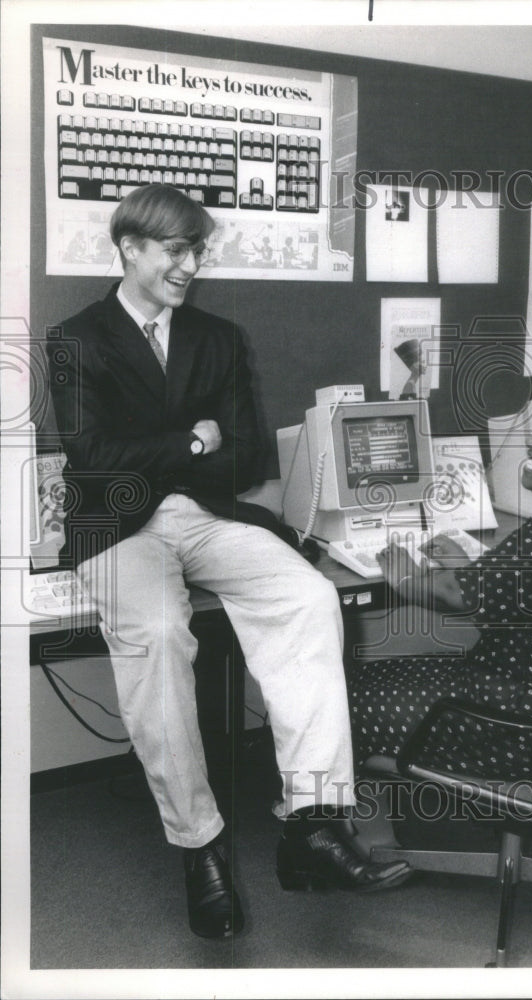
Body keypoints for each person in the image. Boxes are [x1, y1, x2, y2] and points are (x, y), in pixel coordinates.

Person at [46, 185, 410, 941]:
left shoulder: (218, 337)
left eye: (197, 250)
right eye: (176, 249)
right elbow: (91, 458)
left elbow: (243, 456)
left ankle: (313, 822)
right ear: (131, 248)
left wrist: (201, 453)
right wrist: (192, 442)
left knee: (310, 597)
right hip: (116, 527)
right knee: (158, 633)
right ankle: (200, 845)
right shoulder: (75, 338)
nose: (190, 264)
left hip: (207, 515)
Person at [347, 373, 532, 786]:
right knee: (370, 679)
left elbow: (455, 596)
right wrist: (480, 563)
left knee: (344, 698)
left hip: (516, 719)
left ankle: (330, 828)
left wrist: (407, 578)